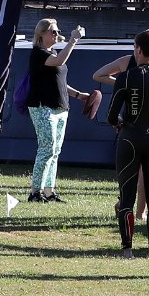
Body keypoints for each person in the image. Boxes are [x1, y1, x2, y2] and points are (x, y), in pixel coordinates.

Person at [93, 30, 149, 257]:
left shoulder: (126, 77)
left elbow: (112, 116)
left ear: (138, 50)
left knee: (127, 197)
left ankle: (128, 250)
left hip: (130, 138)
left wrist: (122, 122)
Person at [24, 18, 97, 203]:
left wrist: (78, 94)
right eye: (53, 32)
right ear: (41, 34)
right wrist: (73, 40)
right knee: (46, 149)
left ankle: (49, 191)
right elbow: (59, 60)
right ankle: (35, 192)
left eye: (57, 32)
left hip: (60, 107)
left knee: (55, 151)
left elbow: (60, 81)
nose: (57, 35)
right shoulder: (38, 54)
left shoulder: (53, 52)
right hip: (43, 108)